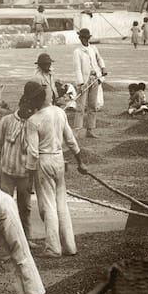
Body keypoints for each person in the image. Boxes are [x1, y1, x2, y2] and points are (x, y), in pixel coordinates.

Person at [26, 82, 88, 257]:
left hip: (43, 161)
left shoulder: (33, 120)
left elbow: (32, 151)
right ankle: (69, 246)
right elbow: (71, 140)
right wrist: (80, 162)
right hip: (59, 159)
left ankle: (53, 248)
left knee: (48, 205)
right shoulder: (60, 112)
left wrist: (29, 176)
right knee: (61, 203)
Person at [0, 82, 41, 245]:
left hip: (25, 174)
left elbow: (36, 153)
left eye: (31, 110)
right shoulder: (6, 121)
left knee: (25, 208)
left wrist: (32, 180)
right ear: (21, 105)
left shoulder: (34, 123)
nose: (29, 112)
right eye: (26, 108)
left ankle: (27, 238)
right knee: (1, 209)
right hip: (6, 172)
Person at [73, 28, 106, 139]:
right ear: (80, 38)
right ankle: (77, 131)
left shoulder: (93, 48)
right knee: (80, 107)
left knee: (92, 106)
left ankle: (90, 130)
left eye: (86, 38)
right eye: (83, 38)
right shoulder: (77, 52)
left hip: (95, 79)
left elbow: (99, 59)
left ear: (88, 38)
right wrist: (81, 83)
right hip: (84, 81)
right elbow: (77, 69)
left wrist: (103, 67)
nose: (85, 40)